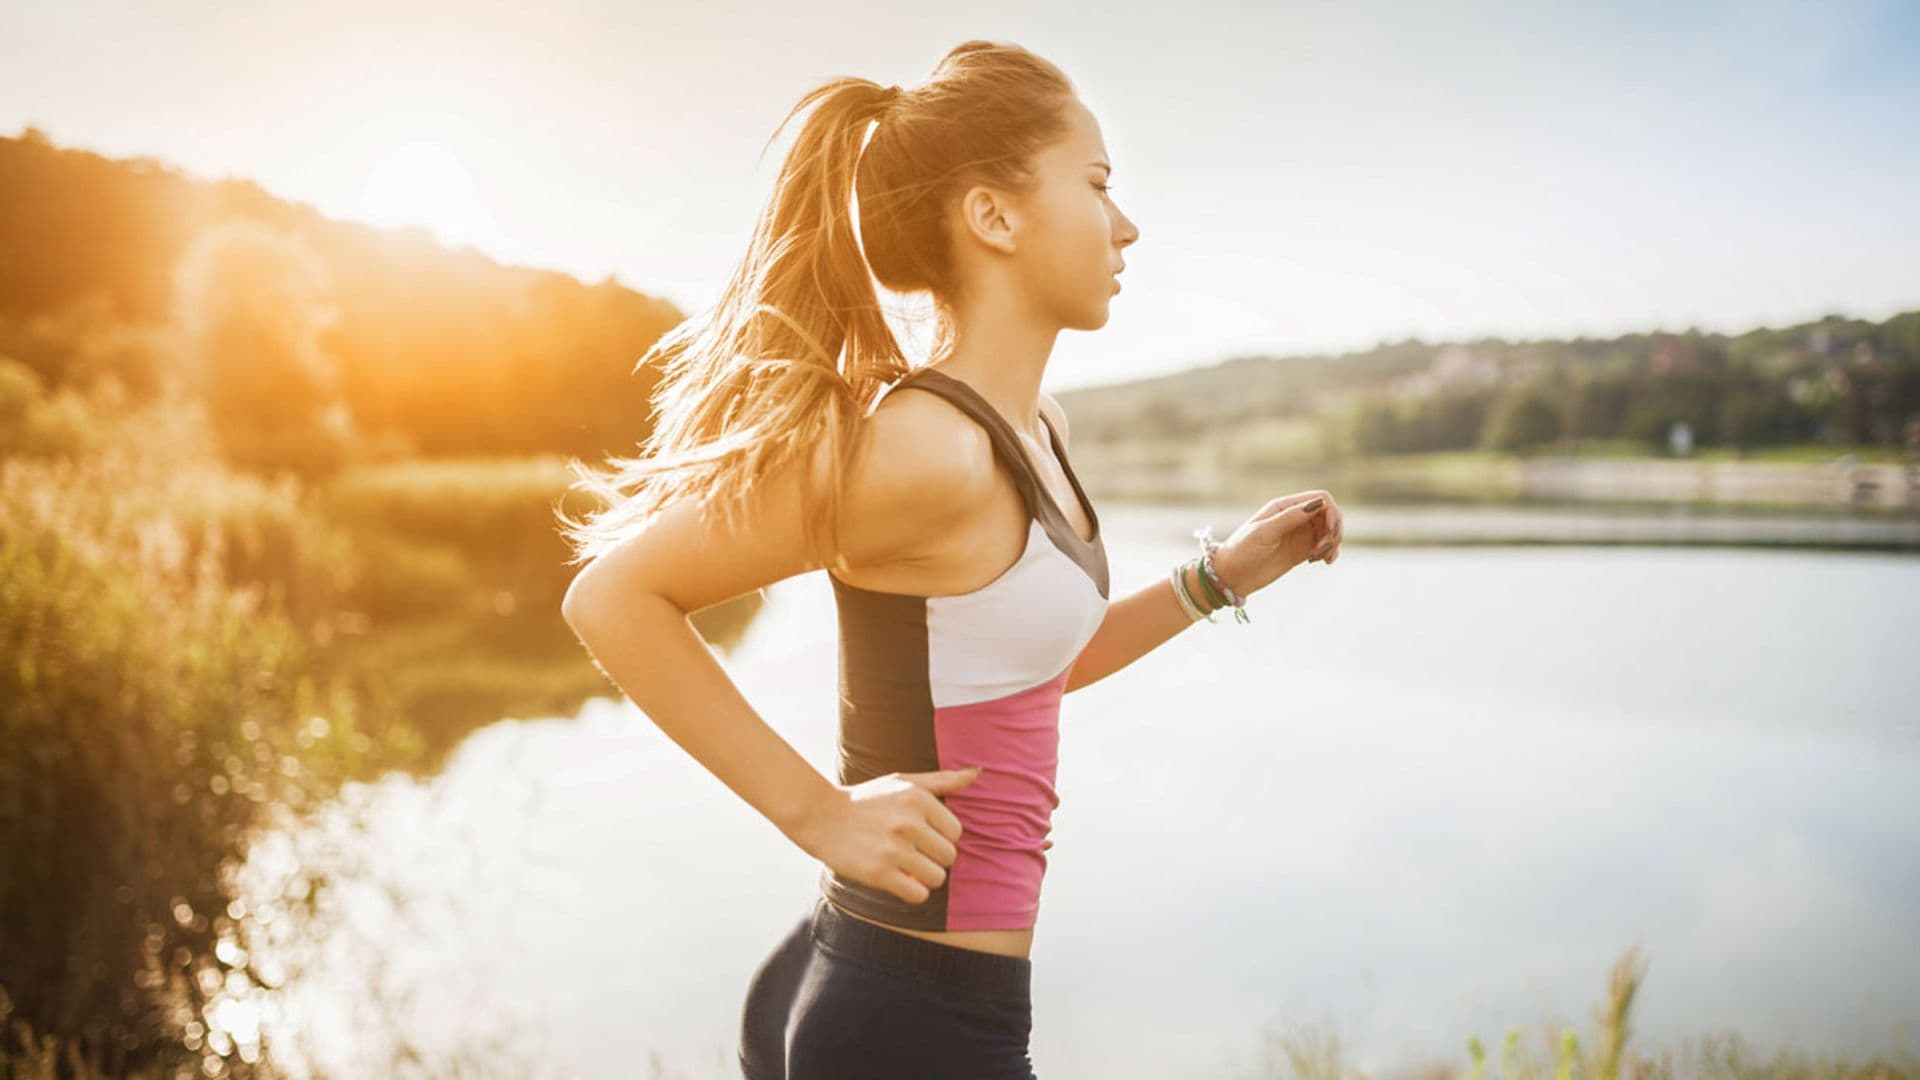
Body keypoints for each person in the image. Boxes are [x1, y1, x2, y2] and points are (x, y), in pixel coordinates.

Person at [556, 38, 1345, 1080]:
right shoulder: (925, 448)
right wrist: (819, 815)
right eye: (1098, 184)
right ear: (994, 215)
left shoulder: (1034, 429)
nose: (1126, 224)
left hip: (925, 1000)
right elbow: (614, 596)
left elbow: (1023, 673)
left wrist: (1220, 578)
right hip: (906, 1015)